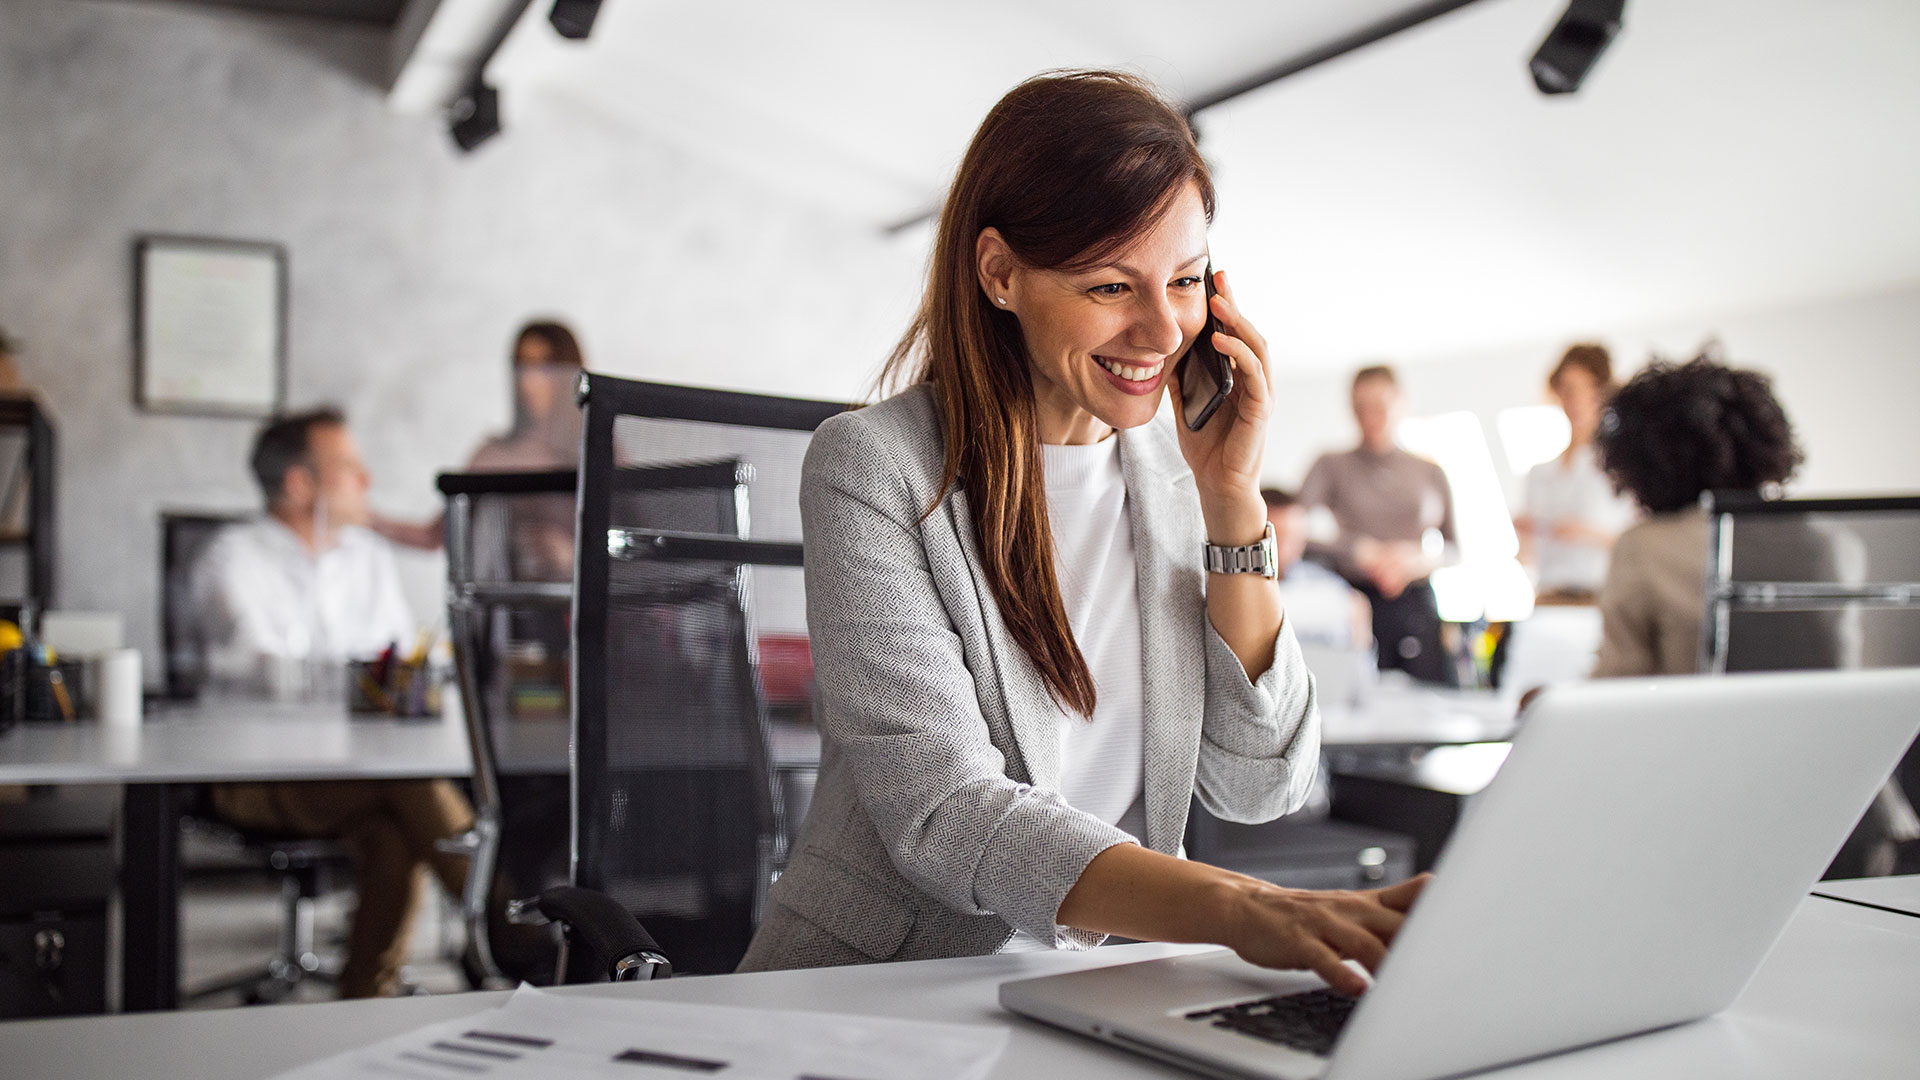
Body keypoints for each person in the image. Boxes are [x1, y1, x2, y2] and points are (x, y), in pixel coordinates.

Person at [736, 71, 1426, 993]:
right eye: (1110, 285)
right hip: (890, 989)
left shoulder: (1180, 477)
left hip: (1113, 989)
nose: (1161, 329)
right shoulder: (873, 467)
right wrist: (1240, 908)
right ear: (1000, 274)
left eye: (1185, 282)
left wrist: (1232, 501)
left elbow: (1263, 786)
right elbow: (947, 816)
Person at [1592, 354, 1917, 874]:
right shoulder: (1834, 540)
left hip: (1719, 821)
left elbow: (1613, 702)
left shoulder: (1645, 548)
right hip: (1856, 813)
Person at [193, 408, 476, 998]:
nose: (366, 482)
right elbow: (266, 670)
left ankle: (363, 999)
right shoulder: (231, 558)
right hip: (259, 774)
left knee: (394, 835)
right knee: (414, 787)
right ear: (300, 484)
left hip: (358, 769)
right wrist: (371, 676)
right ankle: (508, 926)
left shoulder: (366, 558)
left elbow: (397, 663)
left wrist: (392, 675)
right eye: (349, 468)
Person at [374, 319, 585, 569]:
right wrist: (364, 518)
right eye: (522, 367)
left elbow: (630, 546)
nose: (528, 381)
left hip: (580, 604)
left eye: (545, 368)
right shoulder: (494, 456)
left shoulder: (601, 452)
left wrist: (572, 556)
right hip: (505, 604)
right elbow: (435, 536)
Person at [1298, 366, 1458, 685]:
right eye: (1360, 407)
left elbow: (1454, 549)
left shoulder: (1429, 471)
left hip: (1416, 603)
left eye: (1380, 405)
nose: (1370, 416)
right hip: (1356, 601)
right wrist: (1357, 549)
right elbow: (1294, 531)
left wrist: (1418, 560)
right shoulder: (1331, 465)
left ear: (1401, 404)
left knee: (1429, 699)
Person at [1514, 344, 1637, 601]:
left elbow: (1639, 542)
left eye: (1587, 390)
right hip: (1549, 596)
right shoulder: (1539, 474)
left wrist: (1586, 534)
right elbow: (1526, 556)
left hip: (1602, 596)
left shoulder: (1621, 468)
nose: (1576, 401)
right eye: (1568, 390)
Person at [1262, 488, 1371, 650]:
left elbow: (1358, 651)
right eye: (1277, 538)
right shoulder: (1231, 589)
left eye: (1294, 539)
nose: (1285, 550)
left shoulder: (1327, 586)